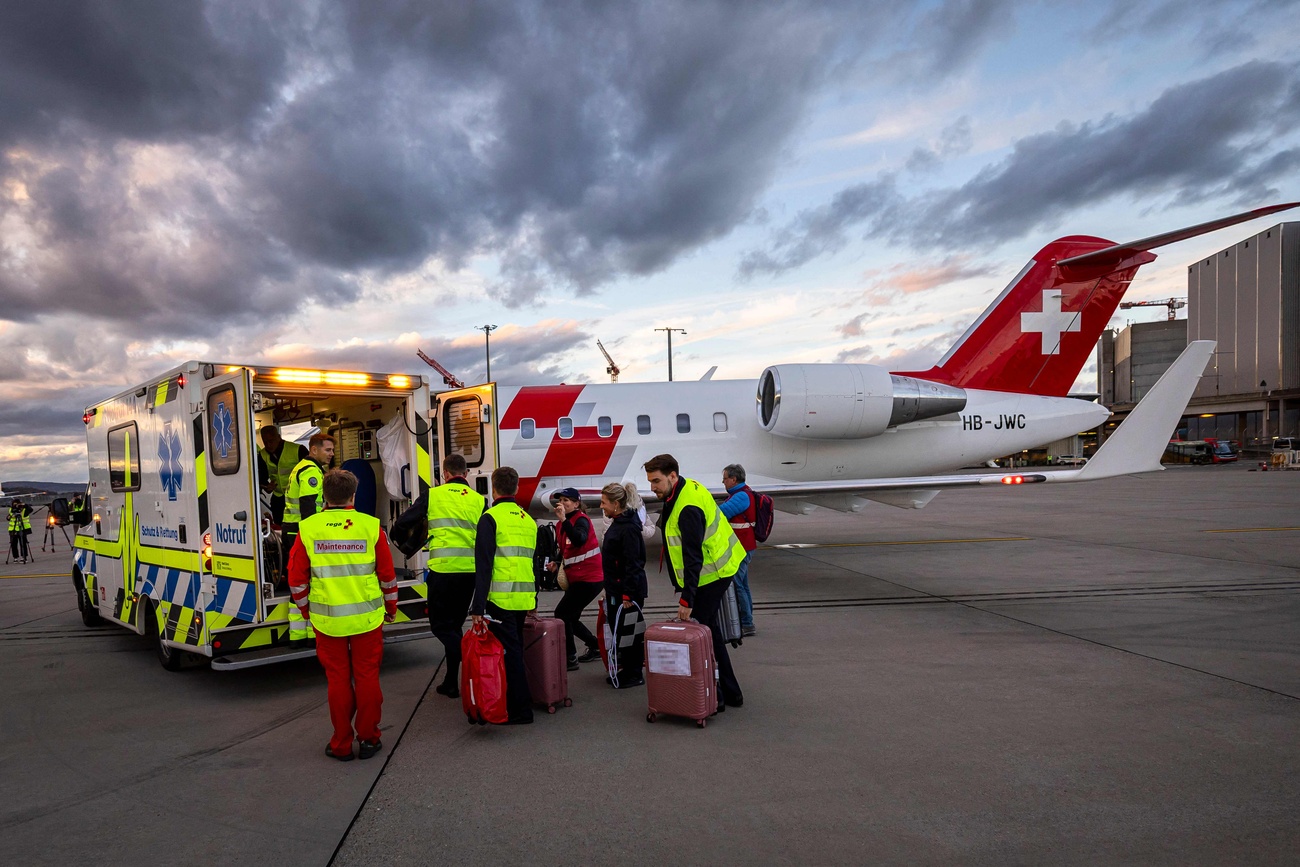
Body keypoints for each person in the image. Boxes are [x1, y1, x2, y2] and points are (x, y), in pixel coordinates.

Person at [287, 469, 398, 761]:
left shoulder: (308, 528)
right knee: (367, 677)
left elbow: (296, 580)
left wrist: (306, 610)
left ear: (324, 495)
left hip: (327, 620)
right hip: (367, 619)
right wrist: (391, 608)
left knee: (337, 680)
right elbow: (387, 576)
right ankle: (370, 739)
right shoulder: (371, 527)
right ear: (353, 495)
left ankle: (341, 744)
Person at [644, 453, 745, 709]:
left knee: (703, 633)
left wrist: (687, 598)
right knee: (710, 631)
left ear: (672, 476)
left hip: (713, 573)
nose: (652, 487)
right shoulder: (682, 489)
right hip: (719, 566)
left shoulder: (687, 507)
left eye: (656, 481)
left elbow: (693, 557)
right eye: (650, 481)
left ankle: (719, 696)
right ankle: (729, 693)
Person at [469, 466, 536, 725]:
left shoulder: (490, 518)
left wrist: (477, 606)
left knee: (510, 654)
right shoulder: (527, 519)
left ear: (493, 489)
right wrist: (534, 600)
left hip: (500, 599)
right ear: (517, 488)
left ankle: (520, 710)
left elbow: (483, 565)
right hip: (523, 597)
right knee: (515, 650)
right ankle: (519, 701)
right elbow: (533, 562)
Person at [424, 454, 486, 698]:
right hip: (469, 573)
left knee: (440, 627)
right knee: (455, 626)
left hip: (442, 571)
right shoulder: (479, 500)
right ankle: (451, 683)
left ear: (445, 474)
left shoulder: (433, 495)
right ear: (466, 474)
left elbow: (406, 521)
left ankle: (466, 657)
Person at [284, 433, 335, 643]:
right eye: (327, 450)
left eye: (332, 450)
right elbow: (308, 508)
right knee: (311, 584)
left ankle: (298, 634)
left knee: (299, 583)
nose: (331, 454)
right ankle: (311, 634)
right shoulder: (310, 472)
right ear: (314, 449)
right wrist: (315, 537)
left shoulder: (304, 468)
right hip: (302, 533)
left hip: (294, 531)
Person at [599, 482, 648, 688]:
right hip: (616, 588)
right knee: (621, 632)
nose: (602, 507)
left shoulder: (627, 528)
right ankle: (628, 670)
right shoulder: (621, 524)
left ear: (616, 503)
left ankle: (634, 673)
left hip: (626, 591)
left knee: (629, 633)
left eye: (604, 503)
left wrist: (628, 593)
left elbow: (633, 562)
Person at [549, 487, 603, 671]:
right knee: (571, 617)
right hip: (578, 578)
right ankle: (595, 645)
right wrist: (556, 562)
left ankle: (570, 658)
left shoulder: (581, 520)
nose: (562, 503)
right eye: (560, 500)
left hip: (589, 578)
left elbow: (579, 539)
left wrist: (564, 520)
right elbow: (565, 549)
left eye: (567, 500)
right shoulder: (560, 525)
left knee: (562, 614)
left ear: (576, 504)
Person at [720, 463, 758, 637]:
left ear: (734, 479)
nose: (723, 481)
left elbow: (721, 513)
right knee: (743, 584)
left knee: (737, 585)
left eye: (725, 478)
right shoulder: (741, 494)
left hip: (741, 548)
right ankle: (747, 620)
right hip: (744, 546)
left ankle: (746, 623)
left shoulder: (741, 496)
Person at [257, 426, 307, 525]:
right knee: (280, 528)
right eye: (265, 442)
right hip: (278, 498)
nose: (268, 445)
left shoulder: (298, 450)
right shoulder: (262, 455)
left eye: (271, 441)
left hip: (298, 497)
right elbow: (261, 478)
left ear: (279, 437)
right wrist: (267, 487)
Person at [8, 499, 32, 563]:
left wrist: (24, 505)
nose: (16, 506)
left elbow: (30, 509)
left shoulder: (24, 510)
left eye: (17, 504)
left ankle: (24, 557)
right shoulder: (11, 509)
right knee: (13, 544)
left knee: (23, 543)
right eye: (14, 504)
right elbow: (9, 516)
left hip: (22, 528)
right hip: (13, 529)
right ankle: (15, 557)